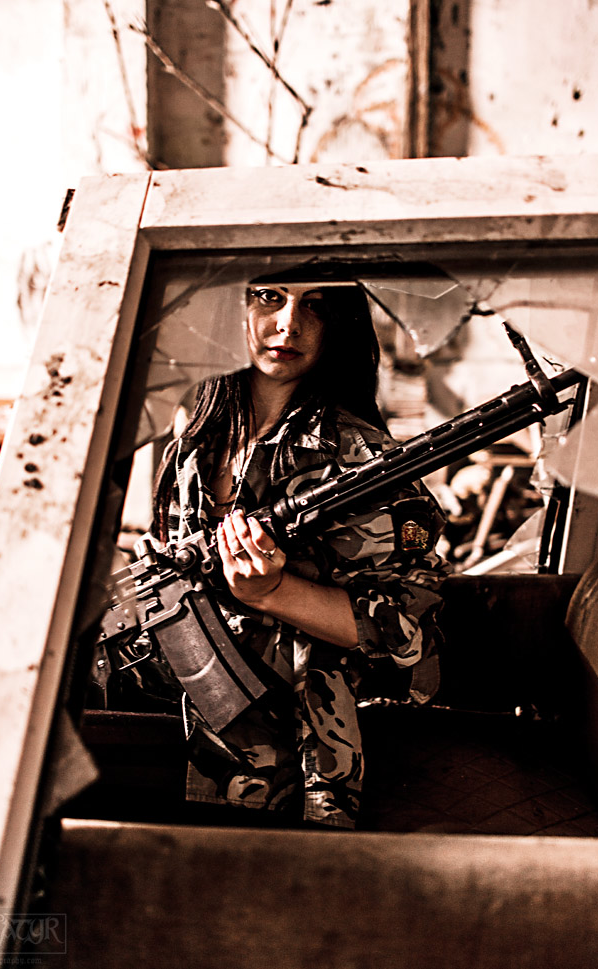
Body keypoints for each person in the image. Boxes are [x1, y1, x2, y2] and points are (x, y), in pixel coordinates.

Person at [148, 272, 448, 830]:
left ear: (340, 325)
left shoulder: (362, 460)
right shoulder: (196, 437)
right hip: (173, 726)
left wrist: (274, 592)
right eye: (269, 297)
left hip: (296, 764)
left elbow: (416, 640)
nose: (288, 324)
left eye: (315, 305)